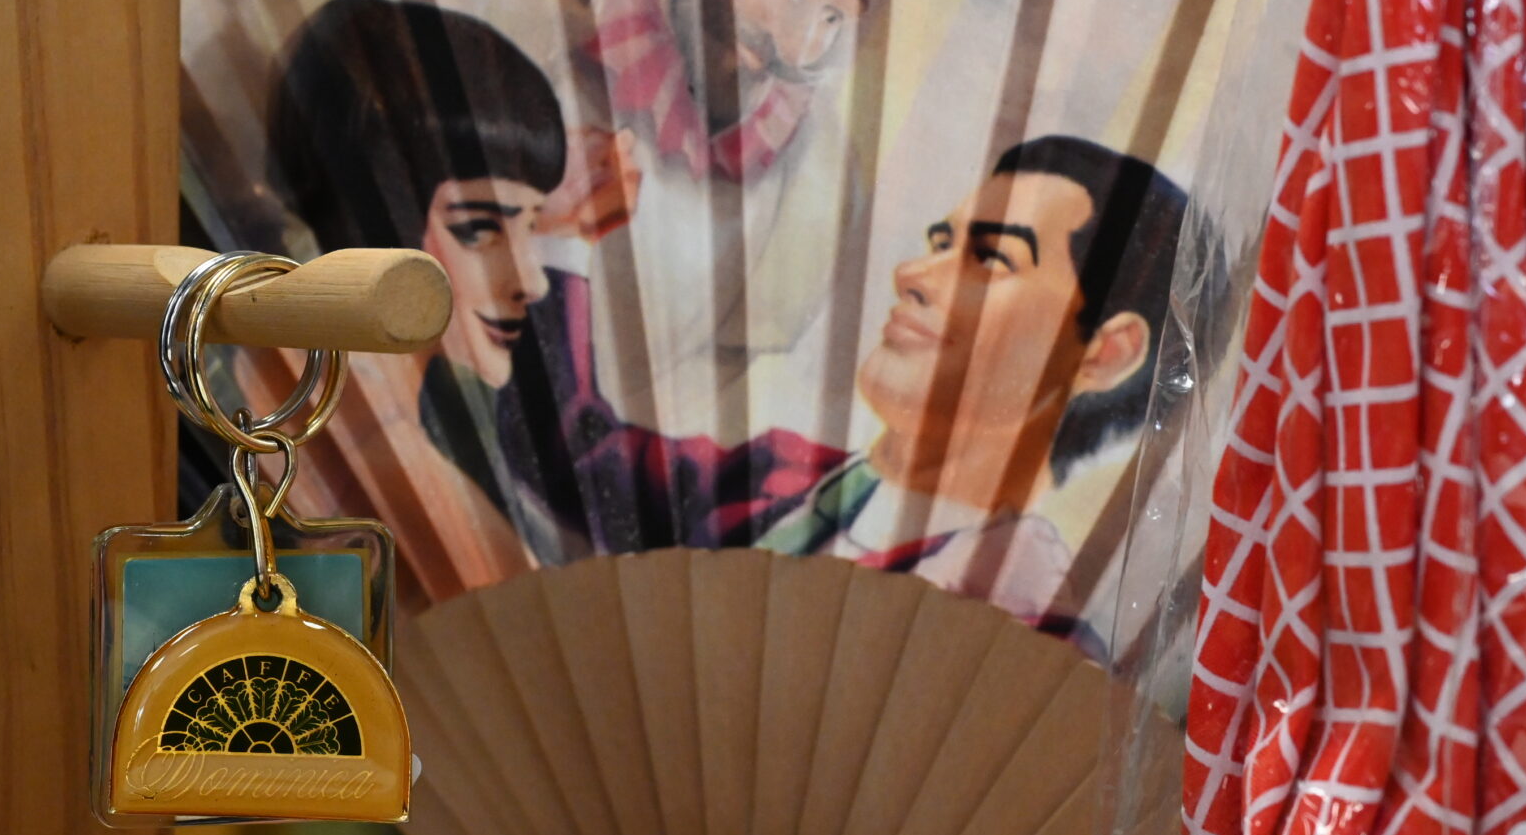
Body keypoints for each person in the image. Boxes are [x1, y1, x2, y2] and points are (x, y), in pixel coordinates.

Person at [500, 133, 1187, 647]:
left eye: (990, 259)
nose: (912, 272)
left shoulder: (1032, 639)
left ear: (1105, 353)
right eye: (940, 242)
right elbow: (571, 456)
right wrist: (562, 242)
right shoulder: (778, 478)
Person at [578, 0, 940, 433]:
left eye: (837, 16)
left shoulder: (819, 187)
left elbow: (695, 410)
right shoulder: (559, 3)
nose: (799, 48)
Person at [264, 0, 599, 592]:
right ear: (375, 219)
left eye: (530, 227)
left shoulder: (376, 417)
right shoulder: (384, 460)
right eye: (478, 230)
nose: (532, 282)